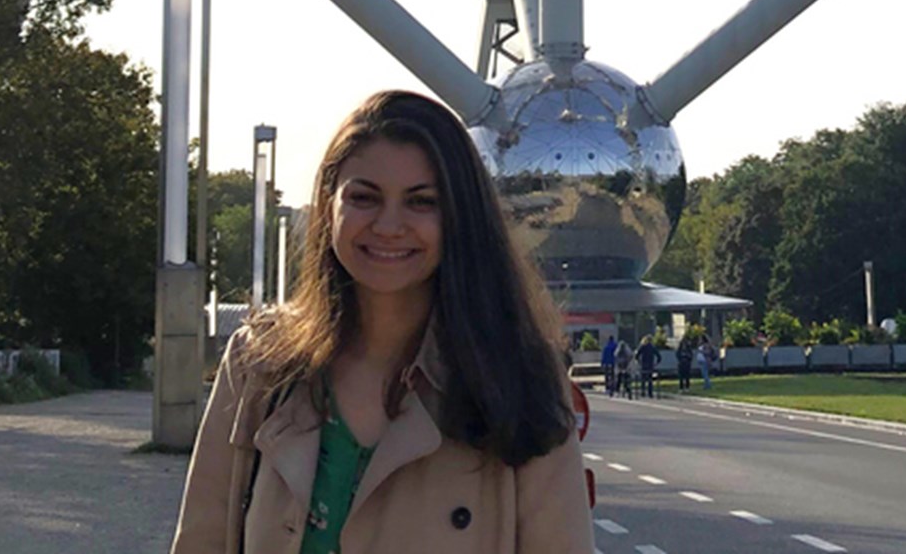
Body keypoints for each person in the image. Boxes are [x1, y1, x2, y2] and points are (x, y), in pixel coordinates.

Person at [171, 90, 594, 554]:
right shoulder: (262, 366)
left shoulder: (516, 375)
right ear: (328, 206)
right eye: (364, 198)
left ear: (459, 218)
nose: (389, 226)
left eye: (421, 202)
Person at [635, 335, 660, 399]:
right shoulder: (652, 347)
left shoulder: (642, 346)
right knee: (650, 380)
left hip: (644, 365)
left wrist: (639, 362)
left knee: (643, 380)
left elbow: (636, 355)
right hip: (650, 365)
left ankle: (643, 392)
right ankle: (650, 393)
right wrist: (656, 363)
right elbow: (659, 356)